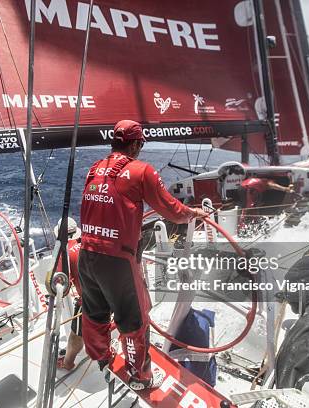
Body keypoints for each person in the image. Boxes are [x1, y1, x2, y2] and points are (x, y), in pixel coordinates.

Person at [78, 119, 206, 390]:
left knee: (94, 313)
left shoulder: (93, 169)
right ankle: (140, 377)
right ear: (135, 144)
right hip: (117, 263)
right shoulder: (141, 171)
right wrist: (192, 214)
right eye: (141, 144)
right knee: (135, 321)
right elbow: (171, 209)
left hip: (86, 255)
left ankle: (101, 356)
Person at [53, 217, 84, 371]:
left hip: (90, 300)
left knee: (76, 334)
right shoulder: (89, 240)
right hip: (111, 291)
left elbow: (64, 287)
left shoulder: (64, 253)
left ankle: (68, 363)